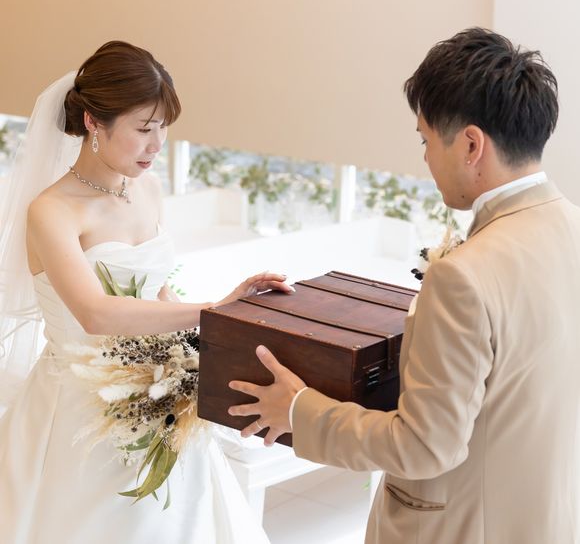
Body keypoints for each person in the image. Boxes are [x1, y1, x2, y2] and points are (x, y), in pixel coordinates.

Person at [229, 27, 580, 543]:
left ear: (471, 144)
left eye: (425, 139)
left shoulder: (464, 276)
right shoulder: (571, 227)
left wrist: (299, 410)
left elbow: (425, 447)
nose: (424, 158)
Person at [0, 41, 292, 543]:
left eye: (163, 128)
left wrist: (214, 331)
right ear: (93, 122)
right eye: (143, 128)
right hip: (76, 411)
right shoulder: (51, 211)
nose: (157, 145)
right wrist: (211, 308)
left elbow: (156, 292)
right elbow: (93, 313)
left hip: (157, 392)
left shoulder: (149, 190)